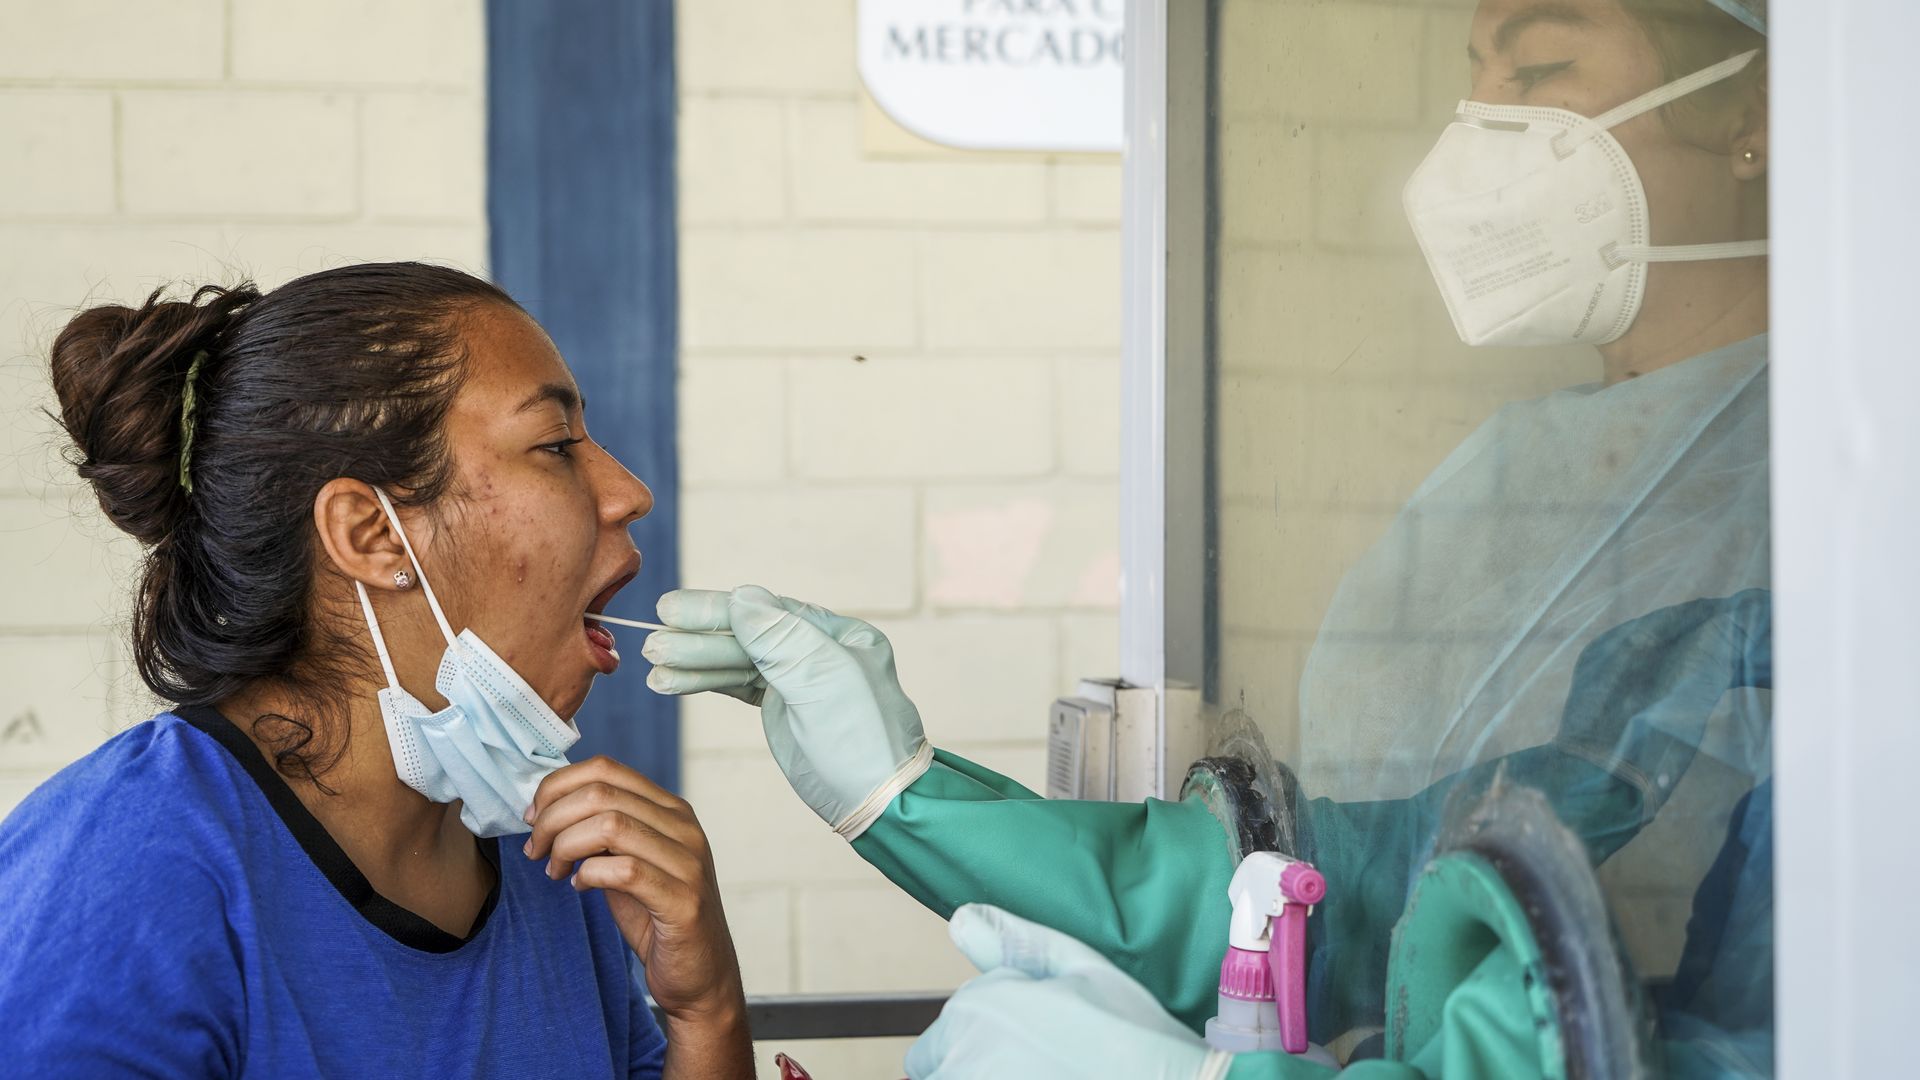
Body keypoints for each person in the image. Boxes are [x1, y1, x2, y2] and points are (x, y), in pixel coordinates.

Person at [647, 0, 1773, 1076]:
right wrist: (906, 792)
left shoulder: (1833, 520)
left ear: (1756, 111)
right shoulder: (1549, 470)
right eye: (1468, 78)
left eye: (1534, 72)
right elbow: (1362, 893)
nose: (1471, 132)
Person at [0, 263, 752, 1077]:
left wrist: (704, 1009)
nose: (629, 493)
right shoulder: (128, 865)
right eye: (557, 445)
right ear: (372, 534)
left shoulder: (555, 861)